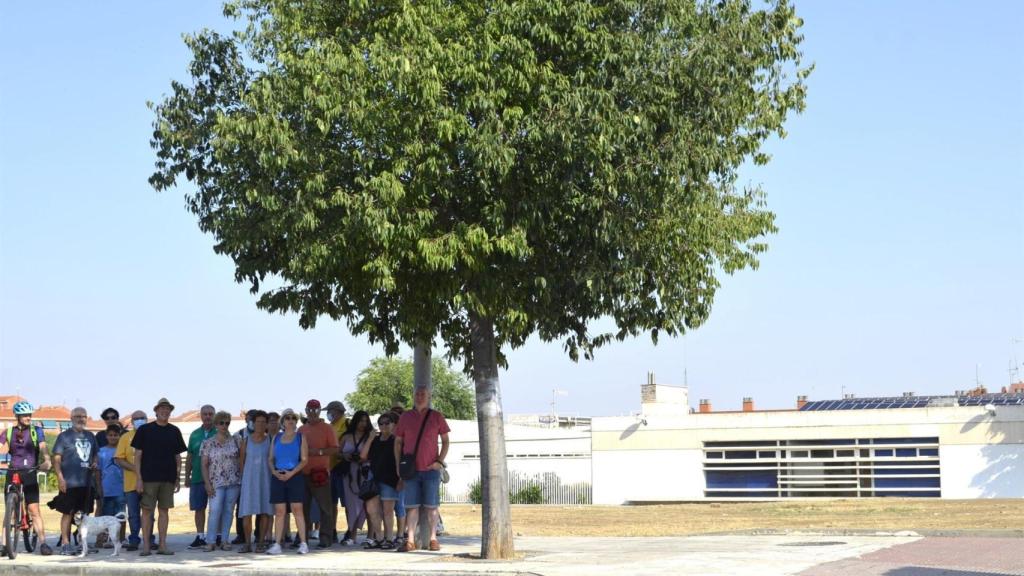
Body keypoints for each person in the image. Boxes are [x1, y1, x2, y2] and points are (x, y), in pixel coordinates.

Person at [394, 385, 450, 552]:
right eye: (417, 394)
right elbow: (398, 442)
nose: (419, 397)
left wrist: (439, 461)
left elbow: (446, 441)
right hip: (411, 470)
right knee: (412, 506)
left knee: (432, 506)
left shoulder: (436, 416)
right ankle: (410, 540)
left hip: (431, 469)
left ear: (429, 396)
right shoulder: (405, 417)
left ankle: (433, 539)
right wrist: (398, 465)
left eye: (423, 394)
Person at [131, 397, 187, 556]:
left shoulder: (174, 431)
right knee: (147, 512)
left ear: (170, 411)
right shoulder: (144, 430)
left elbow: (178, 457)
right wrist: (139, 479)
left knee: (164, 512)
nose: (164, 411)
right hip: (148, 479)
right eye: (162, 408)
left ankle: (162, 545)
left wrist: (177, 478)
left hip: (168, 479)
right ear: (156, 411)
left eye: (167, 409)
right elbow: (137, 456)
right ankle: (146, 546)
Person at [0, 401, 53, 555]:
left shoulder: (36, 431)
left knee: (33, 509)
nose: (28, 417)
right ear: (17, 416)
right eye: (24, 415)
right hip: (13, 471)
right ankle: (4, 545)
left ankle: (43, 543)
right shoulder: (8, 432)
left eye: (29, 415)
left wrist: (47, 460)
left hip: (30, 471)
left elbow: (43, 447)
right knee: (9, 511)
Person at [50, 406, 99, 556]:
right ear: (71, 418)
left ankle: (82, 544)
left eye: (83, 416)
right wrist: (60, 478)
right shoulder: (64, 436)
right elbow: (56, 459)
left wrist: (95, 462)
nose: (81, 419)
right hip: (69, 483)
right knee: (68, 513)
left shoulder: (90, 436)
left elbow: (95, 454)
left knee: (84, 515)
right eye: (77, 416)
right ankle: (65, 544)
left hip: (87, 482)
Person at [267, 409, 308, 555]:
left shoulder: (300, 437)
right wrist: (274, 472)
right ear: (283, 421)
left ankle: (303, 543)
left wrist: (291, 473)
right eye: (287, 418)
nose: (291, 420)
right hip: (278, 476)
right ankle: (277, 544)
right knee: (279, 512)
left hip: (295, 476)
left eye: (293, 418)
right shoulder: (276, 438)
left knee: (297, 509)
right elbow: (270, 459)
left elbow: (304, 460)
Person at [298, 399, 337, 549]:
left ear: (320, 411)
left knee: (325, 508)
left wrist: (318, 452)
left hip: (320, 474)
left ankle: (325, 537)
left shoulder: (327, 428)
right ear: (306, 411)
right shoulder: (301, 429)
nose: (312, 412)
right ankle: (302, 538)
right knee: (302, 508)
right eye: (310, 410)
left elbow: (335, 448)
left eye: (315, 410)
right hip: (303, 473)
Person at [201, 411, 242, 552]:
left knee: (229, 511)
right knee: (214, 510)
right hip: (216, 482)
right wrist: (207, 483)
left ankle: (225, 540)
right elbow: (204, 465)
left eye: (227, 423)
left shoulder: (236, 440)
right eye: (221, 423)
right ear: (216, 424)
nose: (224, 425)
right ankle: (210, 541)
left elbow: (241, 458)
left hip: (233, 482)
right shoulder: (208, 443)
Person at [360, 412, 399, 549]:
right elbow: (363, 456)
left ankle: (389, 539)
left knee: (388, 511)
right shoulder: (375, 440)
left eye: (387, 423)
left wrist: (400, 478)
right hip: (374, 479)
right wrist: (370, 439)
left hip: (390, 479)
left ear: (393, 424)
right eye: (381, 423)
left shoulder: (396, 440)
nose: (384, 426)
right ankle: (379, 538)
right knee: (372, 510)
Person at [114, 410, 152, 551]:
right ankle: (134, 540)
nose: (139, 420)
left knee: (149, 513)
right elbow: (119, 459)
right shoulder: (125, 437)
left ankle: (150, 539)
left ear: (147, 419)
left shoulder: (152, 436)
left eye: (142, 417)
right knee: (133, 514)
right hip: (131, 484)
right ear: (131, 421)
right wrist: (136, 469)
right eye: (136, 418)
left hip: (149, 483)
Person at [238, 410, 273, 552]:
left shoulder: (270, 440)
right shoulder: (246, 441)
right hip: (249, 481)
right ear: (253, 423)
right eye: (258, 422)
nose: (260, 424)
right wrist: (244, 479)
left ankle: (261, 542)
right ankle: (247, 543)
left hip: (265, 481)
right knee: (247, 512)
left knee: (265, 511)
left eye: (263, 422)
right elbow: (241, 462)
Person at [185, 405, 216, 549]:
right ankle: (200, 536)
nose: (208, 416)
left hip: (216, 479)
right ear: (201, 416)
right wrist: (187, 476)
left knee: (216, 509)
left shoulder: (220, 432)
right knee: (199, 508)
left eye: (210, 414)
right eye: (205, 414)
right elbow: (190, 456)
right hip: (197, 477)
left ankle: (216, 536)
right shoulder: (194, 434)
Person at [338, 410, 371, 546]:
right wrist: (345, 456)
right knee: (351, 505)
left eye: (365, 421)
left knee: (368, 505)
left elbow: (374, 454)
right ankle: (352, 535)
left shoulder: (370, 437)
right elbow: (337, 452)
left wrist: (364, 459)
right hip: (349, 475)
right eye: (360, 421)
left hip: (365, 473)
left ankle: (371, 535)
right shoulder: (346, 437)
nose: (363, 424)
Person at [97, 424, 125, 548]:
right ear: (106, 436)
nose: (113, 437)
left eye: (115, 435)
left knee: (121, 515)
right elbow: (98, 471)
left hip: (121, 489)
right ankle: (106, 539)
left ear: (119, 436)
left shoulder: (122, 450)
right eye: (110, 435)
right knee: (107, 517)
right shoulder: (101, 451)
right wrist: (99, 487)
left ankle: (121, 539)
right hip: (106, 488)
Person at [324, 400, 348, 542]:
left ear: (338, 411)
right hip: (329, 468)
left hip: (342, 468)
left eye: (330, 411)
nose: (328, 414)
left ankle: (350, 530)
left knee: (347, 503)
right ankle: (332, 530)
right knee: (331, 502)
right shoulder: (329, 426)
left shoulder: (347, 424)